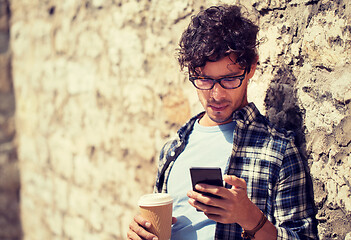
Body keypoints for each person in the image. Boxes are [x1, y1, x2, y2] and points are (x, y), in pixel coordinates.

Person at [127, 4, 318, 240]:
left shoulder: (279, 151)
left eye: (229, 79)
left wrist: (250, 217)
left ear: (251, 68)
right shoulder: (173, 149)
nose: (216, 95)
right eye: (205, 80)